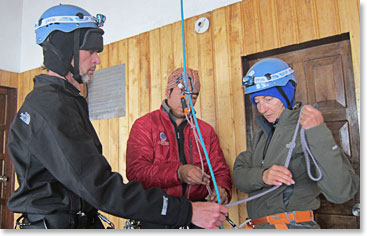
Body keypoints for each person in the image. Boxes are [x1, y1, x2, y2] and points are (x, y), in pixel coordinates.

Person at [7, 4, 228, 229]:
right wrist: (185, 209)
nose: (97, 60)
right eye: (91, 51)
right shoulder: (50, 105)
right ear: (64, 49)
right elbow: (99, 186)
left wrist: (218, 190)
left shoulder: (66, 101)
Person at [233, 58, 359, 229]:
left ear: (286, 95)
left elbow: (342, 192)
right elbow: (239, 175)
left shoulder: (307, 127)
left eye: (268, 99)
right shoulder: (262, 133)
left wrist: (319, 133)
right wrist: (263, 176)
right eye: (257, 101)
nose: (261, 109)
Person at [126, 67, 233, 229]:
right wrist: (178, 172)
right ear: (168, 92)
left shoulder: (205, 131)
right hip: (158, 213)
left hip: (199, 215)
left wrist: (222, 189)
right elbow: (136, 172)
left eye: (194, 96)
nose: (188, 102)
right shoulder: (145, 125)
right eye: (183, 94)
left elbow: (220, 171)